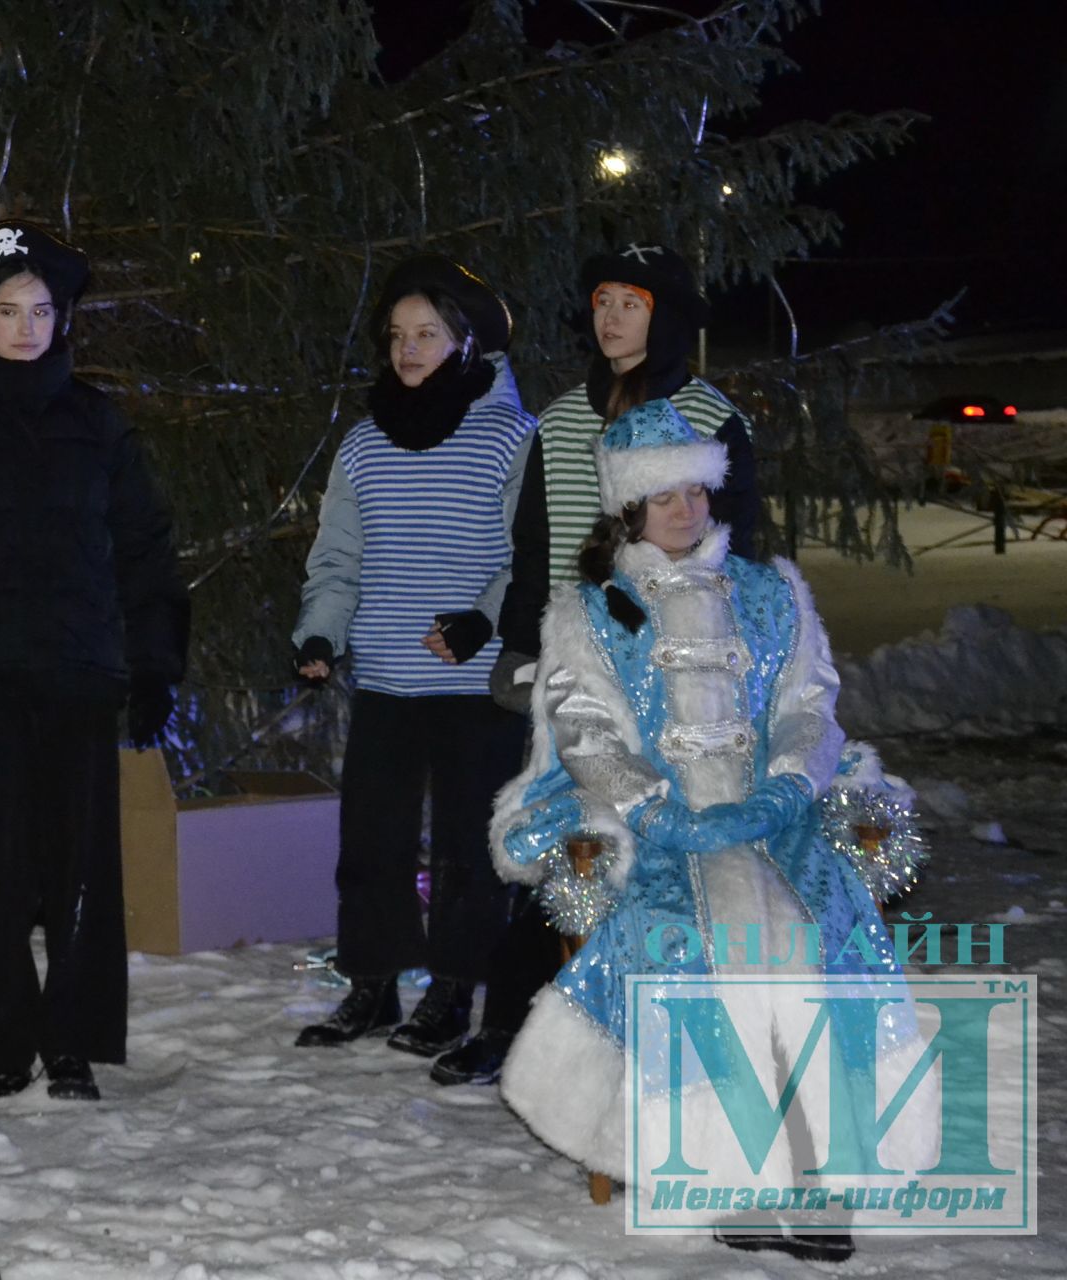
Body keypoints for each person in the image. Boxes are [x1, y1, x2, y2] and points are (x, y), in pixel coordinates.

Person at [488, 399, 923, 1263]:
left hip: (774, 821)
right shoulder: (591, 611)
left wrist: (788, 788)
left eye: (696, 491)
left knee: (813, 926)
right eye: (665, 497)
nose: (686, 510)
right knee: (696, 937)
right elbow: (586, 733)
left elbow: (810, 703)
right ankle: (728, 1173)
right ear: (629, 511)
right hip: (654, 827)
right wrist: (653, 807)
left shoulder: (770, 595)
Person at [0, 220, 189, 1103]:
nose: (27, 326)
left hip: (79, 675)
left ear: (63, 321)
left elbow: (145, 549)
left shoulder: (98, 424)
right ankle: (7, 1042)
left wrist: (153, 667)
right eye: (9, 310)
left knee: (81, 866)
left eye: (43, 310)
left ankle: (72, 1040)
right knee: (5, 869)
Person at [290, 255, 544, 1081]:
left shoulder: (511, 436)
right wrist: (321, 636)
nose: (408, 349)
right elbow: (337, 557)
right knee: (372, 842)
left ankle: (453, 990)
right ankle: (372, 985)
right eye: (397, 336)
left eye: (426, 334)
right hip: (389, 682)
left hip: (476, 688)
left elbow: (530, 555)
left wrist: (485, 621)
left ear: (465, 341)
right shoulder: (364, 444)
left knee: (470, 850)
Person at [491, 242, 757, 714]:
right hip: (573, 663)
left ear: (666, 318)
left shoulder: (712, 420)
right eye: (603, 301)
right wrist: (521, 642)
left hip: (678, 664)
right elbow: (534, 542)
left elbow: (737, 546)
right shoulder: (559, 421)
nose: (610, 318)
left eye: (630, 304)